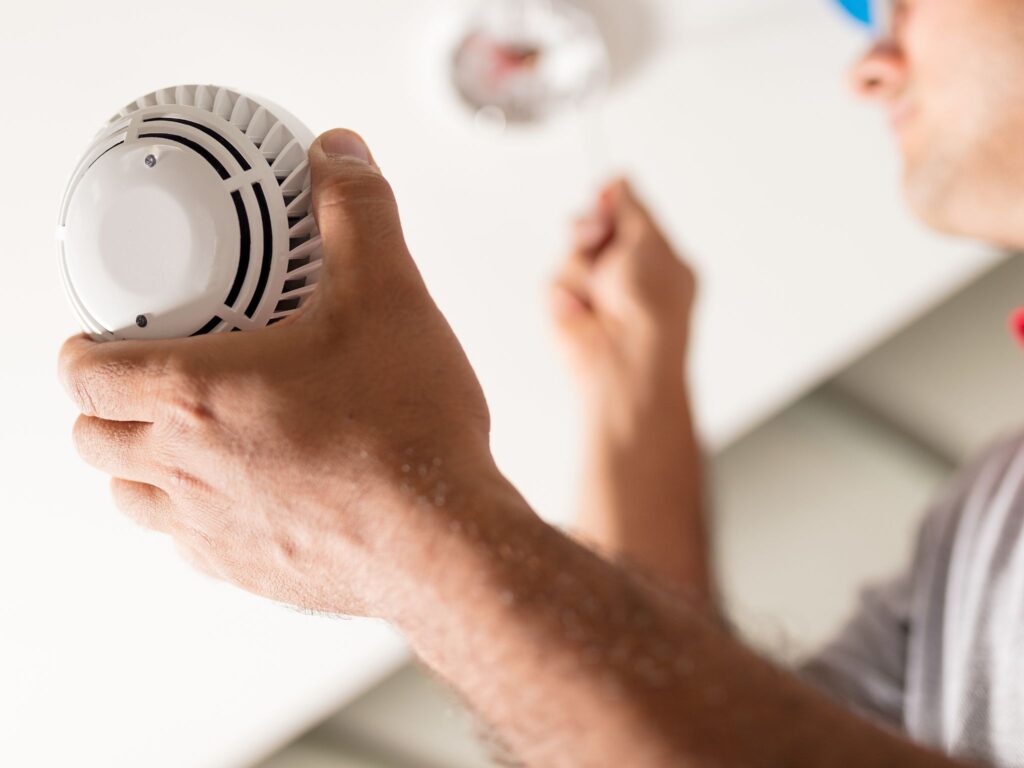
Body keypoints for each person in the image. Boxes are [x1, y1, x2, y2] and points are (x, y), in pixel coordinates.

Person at [57, 0, 1024, 764]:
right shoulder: (984, 515)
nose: (867, 64)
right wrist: (632, 402)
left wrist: (395, 531)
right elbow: (723, 727)